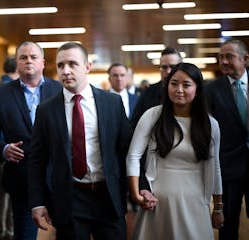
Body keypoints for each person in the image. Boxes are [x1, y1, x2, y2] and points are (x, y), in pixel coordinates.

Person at [28, 42, 131, 240]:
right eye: (60, 66)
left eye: (72, 64)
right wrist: (38, 202)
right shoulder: (46, 110)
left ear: (87, 67)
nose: (65, 71)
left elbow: (127, 149)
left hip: (108, 196)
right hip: (70, 198)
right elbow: (36, 160)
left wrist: (138, 187)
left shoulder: (112, 103)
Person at [126, 62, 224, 239]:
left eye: (186, 85)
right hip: (159, 200)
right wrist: (136, 194)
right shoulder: (152, 116)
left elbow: (215, 167)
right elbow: (133, 156)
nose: (179, 89)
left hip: (196, 200)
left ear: (197, 89)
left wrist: (218, 207)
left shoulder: (211, 124)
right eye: (174, 83)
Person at [0, 41, 62, 240]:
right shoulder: (0, 93)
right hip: (20, 175)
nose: (29, 61)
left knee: (66, 232)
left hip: (58, 175)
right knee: (24, 234)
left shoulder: (60, 90)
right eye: (23, 57)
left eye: (34, 57)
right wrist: (4, 148)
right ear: (16, 64)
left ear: (42, 62)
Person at [205, 39, 249, 240]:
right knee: (228, 224)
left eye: (229, 56)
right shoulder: (211, 90)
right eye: (220, 57)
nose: (223, 61)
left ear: (245, 59)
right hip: (228, 167)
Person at [129, 47, 183, 205]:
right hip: (154, 165)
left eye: (172, 67)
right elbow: (134, 129)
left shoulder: (192, 93)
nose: (167, 71)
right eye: (163, 67)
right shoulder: (148, 94)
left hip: (184, 164)